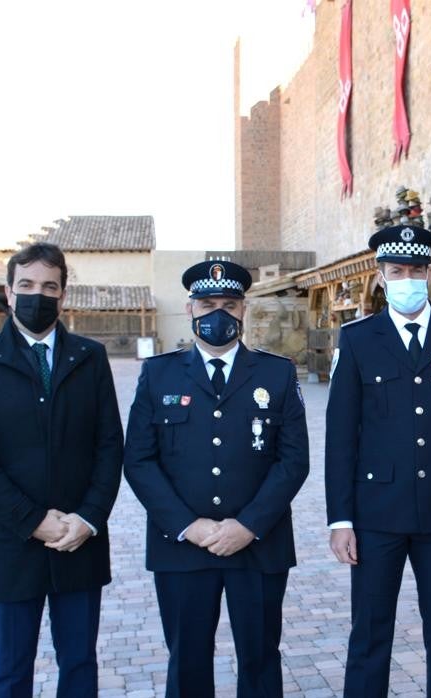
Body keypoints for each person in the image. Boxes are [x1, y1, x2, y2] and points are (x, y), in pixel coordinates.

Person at [325, 224, 431, 697]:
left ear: (430, 274)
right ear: (381, 276)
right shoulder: (358, 340)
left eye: (416, 270)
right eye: (397, 270)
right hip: (376, 513)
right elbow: (340, 439)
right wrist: (340, 519)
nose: (407, 278)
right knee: (370, 631)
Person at [122, 259, 309, 698]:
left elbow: (293, 460)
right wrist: (190, 525)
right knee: (186, 660)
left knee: (261, 658)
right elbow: (139, 461)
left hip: (258, 544)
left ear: (243, 309)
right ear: (190, 309)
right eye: (207, 304)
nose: (218, 314)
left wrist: (248, 525)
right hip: (183, 547)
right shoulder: (157, 374)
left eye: (228, 304)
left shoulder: (276, 373)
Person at [0, 242, 123, 697]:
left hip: (79, 541)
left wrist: (87, 518)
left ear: (63, 295)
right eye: (26, 285)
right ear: (9, 292)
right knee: (9, 668)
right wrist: (32, 521)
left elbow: (109, 447)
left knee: (80, 663)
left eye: (49, 286)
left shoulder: (90, 357)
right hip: (11, 543)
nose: (37, 295)